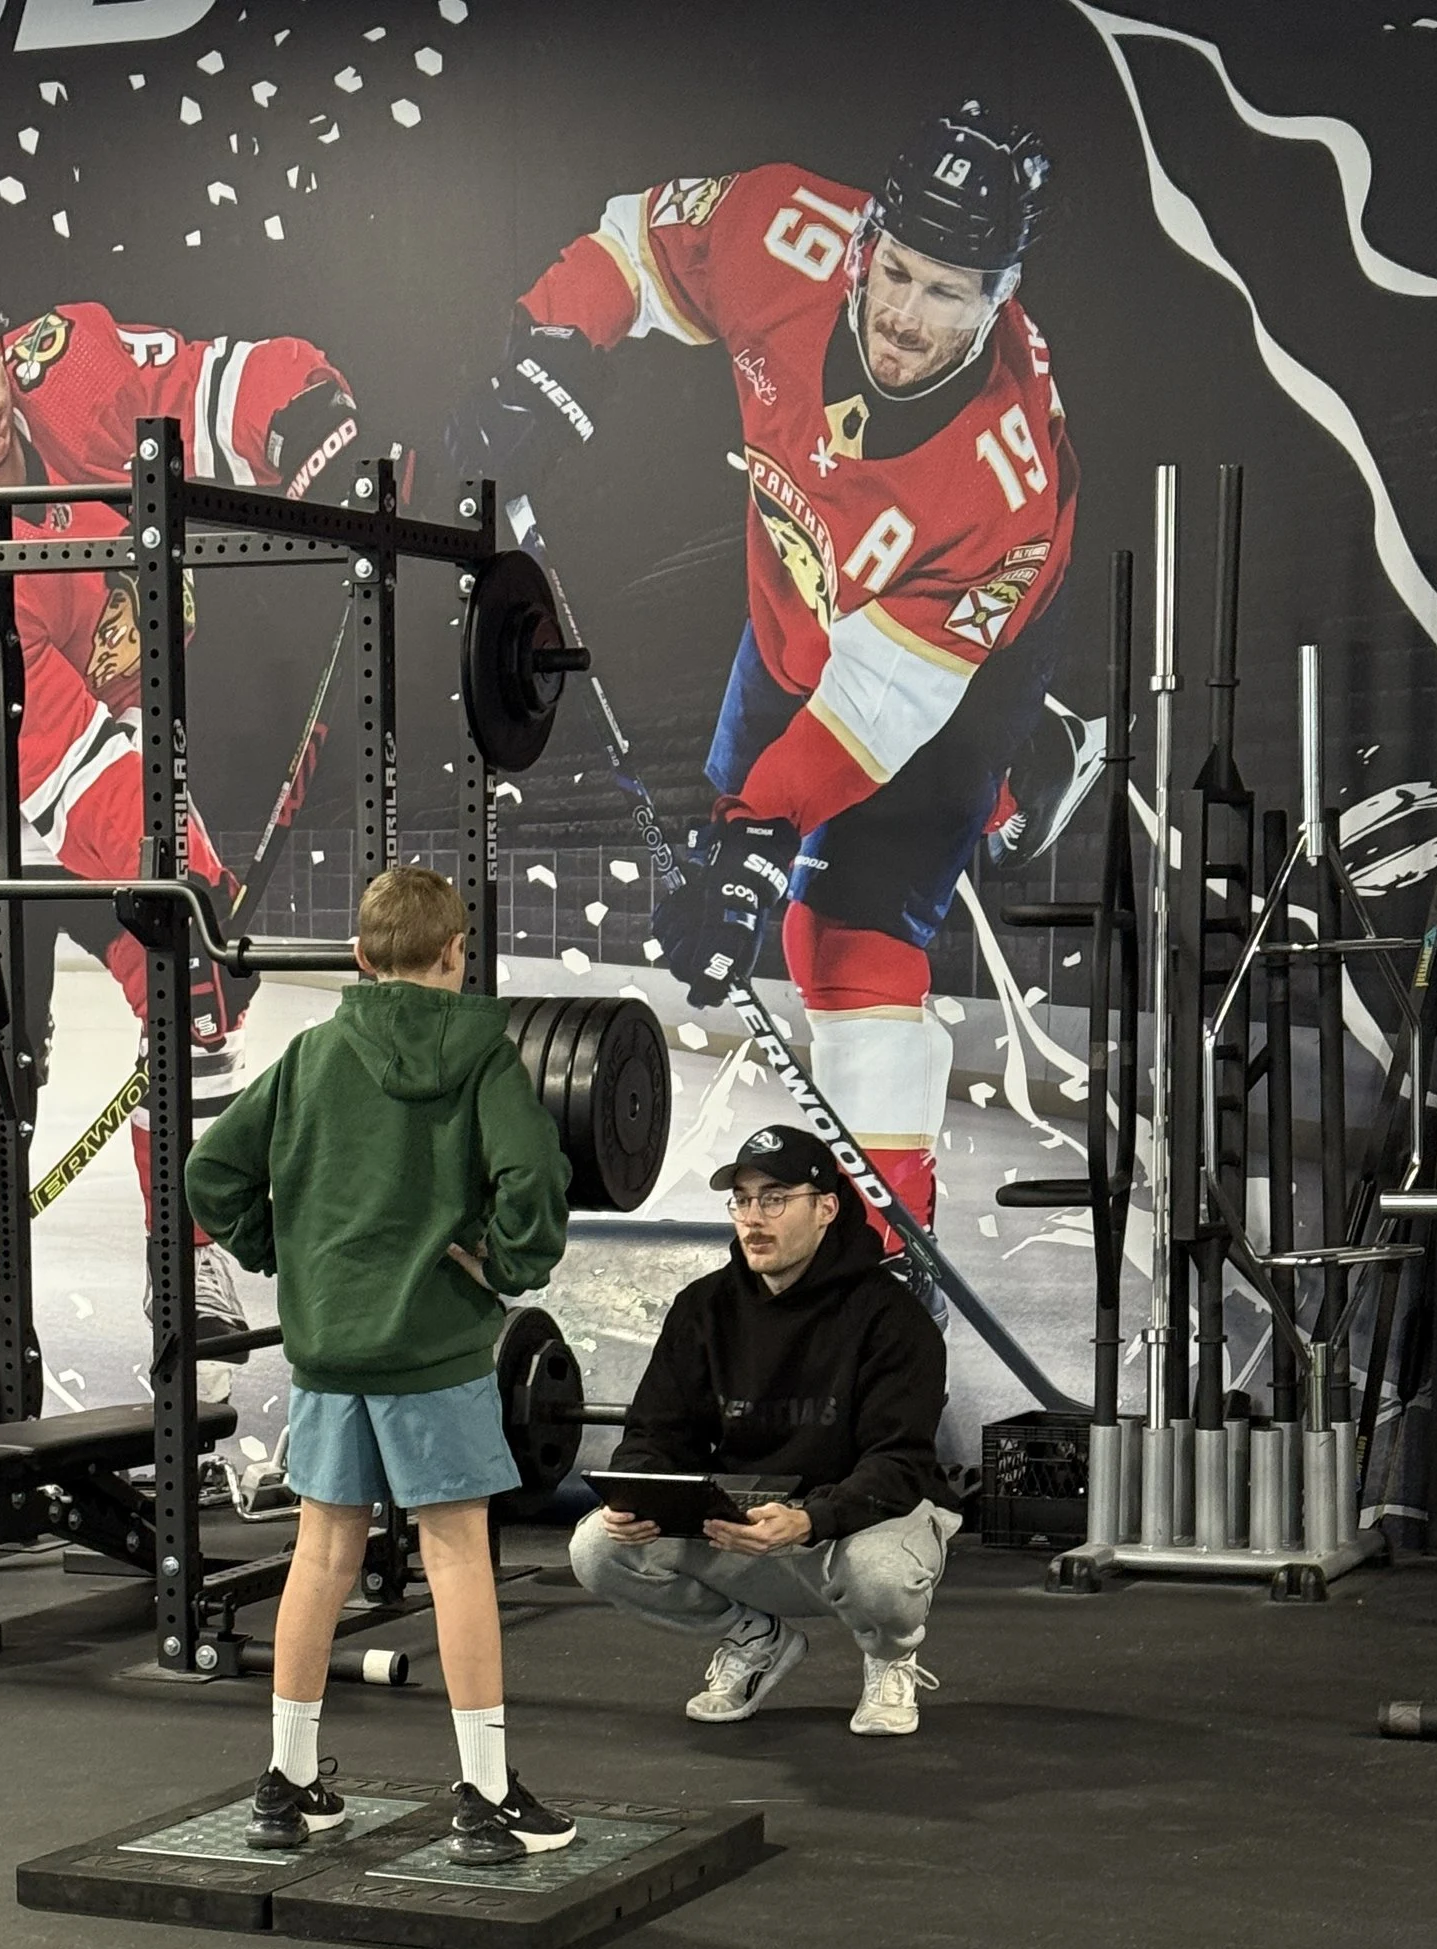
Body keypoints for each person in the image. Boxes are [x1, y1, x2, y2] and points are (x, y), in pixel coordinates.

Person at [452, 105, 1084, 1241]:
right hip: (798, 609)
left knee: (839, 940)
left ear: (998, 300)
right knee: (749, 836)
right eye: (895, 270)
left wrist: (756, 837)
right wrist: (548, 348)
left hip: (951, 665)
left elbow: (875, 710)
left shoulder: (1005, 483)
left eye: (947, 294)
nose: (902, 315)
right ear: (864, 239)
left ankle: (890, 1255)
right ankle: (1006, 777)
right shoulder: (776, 228)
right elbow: (635, 243)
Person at [0, 239, 361, 1338]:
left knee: (195, 1021)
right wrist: (185, 875)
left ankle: (186, 1257)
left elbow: (195, 380)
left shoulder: (68, 364)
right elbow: (46, 751)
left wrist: (294, 410)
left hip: (119, 760)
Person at [185, 866, 578, 1864]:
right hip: (431, 1352)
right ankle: (485, 1798)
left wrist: (280, 1249)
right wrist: (508, 1262)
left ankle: (288, 1785)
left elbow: (210, 1172)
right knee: (454, 1559)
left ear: (360, 959)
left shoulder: (312, 1056)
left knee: (321, 1556)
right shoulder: (486, 1061)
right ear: (455, 954)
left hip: (328, 1350)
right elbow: (533, 1178)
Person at [571, 1122, 961, 1734]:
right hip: (744, 1524)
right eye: (743, 1200)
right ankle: (755, 1639)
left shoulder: (894, 1317)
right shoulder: (703, 1307)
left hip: (856, 1524)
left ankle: (890, 1657)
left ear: (827, 1208)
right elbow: (656, 1429)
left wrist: (813, 1518)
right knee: (597, 1547)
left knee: (883, 1578)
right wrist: (640, 1490)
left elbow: (900, 1463)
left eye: (775, 1199)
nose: (754, 1218)